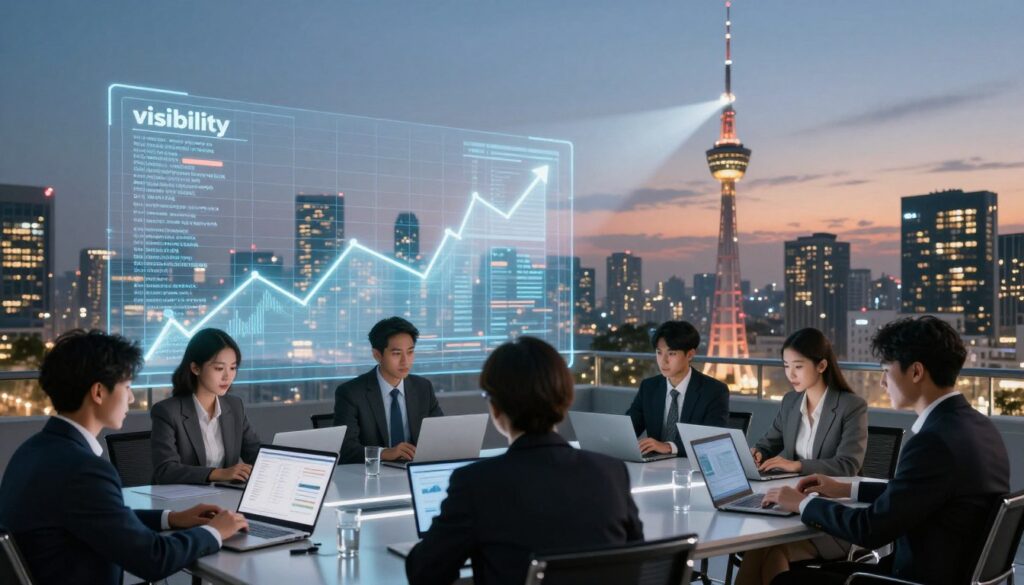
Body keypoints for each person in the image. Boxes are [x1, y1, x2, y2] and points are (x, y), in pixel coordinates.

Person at [764, 316, 1010, 585]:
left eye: (885, 370)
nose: (882, 383)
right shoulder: (978, 427)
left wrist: (802, 503)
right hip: (946, 574)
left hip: (909, 580)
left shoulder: (933, 442)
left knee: (786, 581)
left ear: (916, 372)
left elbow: (870, 529)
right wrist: (847, 489)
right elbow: (916, 493)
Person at [0, 330, 248, 585]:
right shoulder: (85, 471)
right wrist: (214, 532)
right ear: (98, 392)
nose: (130, 397)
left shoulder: (32, 451)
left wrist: (171, 518)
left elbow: (102, 518)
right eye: (127, 387)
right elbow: (154, 559)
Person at [406, 337, 643, 585]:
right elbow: (639, 562)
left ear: (495, 407)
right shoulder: (611, 472)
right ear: (565, 399)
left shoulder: (477, 483)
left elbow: (425, 573)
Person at [735, 328, 868, 585]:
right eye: (786, 366)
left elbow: (849, 464)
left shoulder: (851, 406)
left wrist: (796, 465)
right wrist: (757, 453)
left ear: (821, 365)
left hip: (832, 517)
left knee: (772, 549)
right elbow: (769, 440)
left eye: (798, 366)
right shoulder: (790, 401)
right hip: (791, 507)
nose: (790, 374)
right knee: (758, 547)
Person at [151, 328, 260, 484]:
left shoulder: (235, 406)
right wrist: (218, 473)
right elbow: (165, 470)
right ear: (195, 368)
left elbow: (255, 453)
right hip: (183, 500)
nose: (227, 376)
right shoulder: (167, 412)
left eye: (233, 368)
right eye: (219, 368)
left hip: (223, 497)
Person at [334, 316, 443, 464]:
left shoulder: (423, 387)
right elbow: (345, 449)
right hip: (373, 477)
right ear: (377, 355)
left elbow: (441, 435)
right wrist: (384, 453)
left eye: (410, 352)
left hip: (414, 471)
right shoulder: (351, 393)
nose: (405, 361)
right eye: (397, 354)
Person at [626, 320, 729, 456]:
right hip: (653, 468)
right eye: (659, 353)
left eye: (672, 353)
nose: (664, 361)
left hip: (691, 468)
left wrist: (669, 447)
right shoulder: (649, 387)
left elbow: (711, 441)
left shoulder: (713, 391)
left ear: (690, 354)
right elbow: (628, 430)